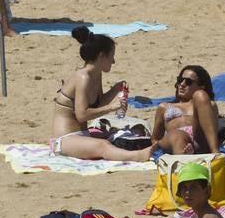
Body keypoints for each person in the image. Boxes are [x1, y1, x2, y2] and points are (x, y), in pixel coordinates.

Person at [50, 27, 156, 161]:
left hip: (81, 135)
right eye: (112, 56)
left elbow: (98, 104)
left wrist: (116, 89)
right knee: (103, 146)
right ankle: (137, 157)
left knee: (120, 137)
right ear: (101, 56)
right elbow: (82, 115)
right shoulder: (83, 77)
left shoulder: (96, 74)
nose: (113, 61)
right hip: (64, 140)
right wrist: (112, 107)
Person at [151, 65, 225, 155]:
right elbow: (155, 138)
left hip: (199, 139)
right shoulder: (164, 107)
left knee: (200, 95)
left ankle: (215, 152)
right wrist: (157, 146)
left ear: (202, 86)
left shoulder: (207, 105)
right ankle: (183, 156)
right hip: (175, 138)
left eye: (188, 82)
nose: (182, 84)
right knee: (178, 135)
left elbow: (213, 127)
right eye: (180, 80)